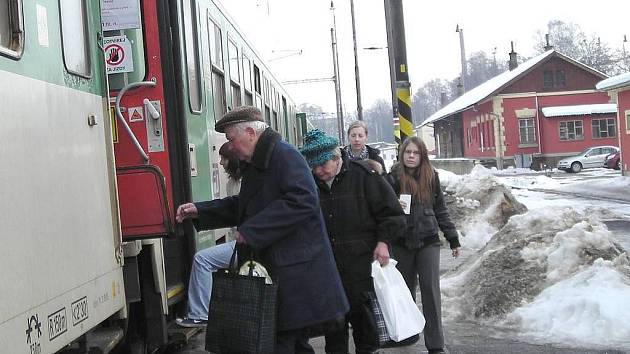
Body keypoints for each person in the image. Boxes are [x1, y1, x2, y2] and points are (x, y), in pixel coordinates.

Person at [176, 106, 349, 353]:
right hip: (282, 269)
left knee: (282, 343)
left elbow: (303, 200)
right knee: (291, 344)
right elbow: (248, 205)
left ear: (249, 132)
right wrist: (200, 210)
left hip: (292, 273)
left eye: (231, 140)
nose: (231, 147)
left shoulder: (283, 156)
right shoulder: (262, 161)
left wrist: (254, 230)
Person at [300, 130, 406, 354]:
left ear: (337, 157)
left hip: (361, 270)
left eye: (323, 164)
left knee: (366, 334)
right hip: (328, 273)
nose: (318, 171)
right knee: (334, 335)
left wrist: (384, 242)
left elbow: (393, 215)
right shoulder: (309, 184)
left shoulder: (364, 176)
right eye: (314, 166)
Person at [387, 137, 461, 354]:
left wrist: (452, 237)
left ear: (422, 156)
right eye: (407, 152)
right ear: (401, 154)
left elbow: (441, 209)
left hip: (428, 241)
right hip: (401, 242)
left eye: (415, 153)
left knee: (430, 290)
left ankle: (436, 344)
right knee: (404, 291)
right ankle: (406, 335)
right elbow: (384, 211)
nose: (411, 156)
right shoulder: (392, 177)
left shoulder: (431, 176)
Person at [176, 142, 241, 328]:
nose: (220, 162)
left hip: (246, 242)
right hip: (240, 241)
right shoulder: (233, 183)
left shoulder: (240, 183)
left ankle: (200, 314)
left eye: (224, 158)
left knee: (202, 259)